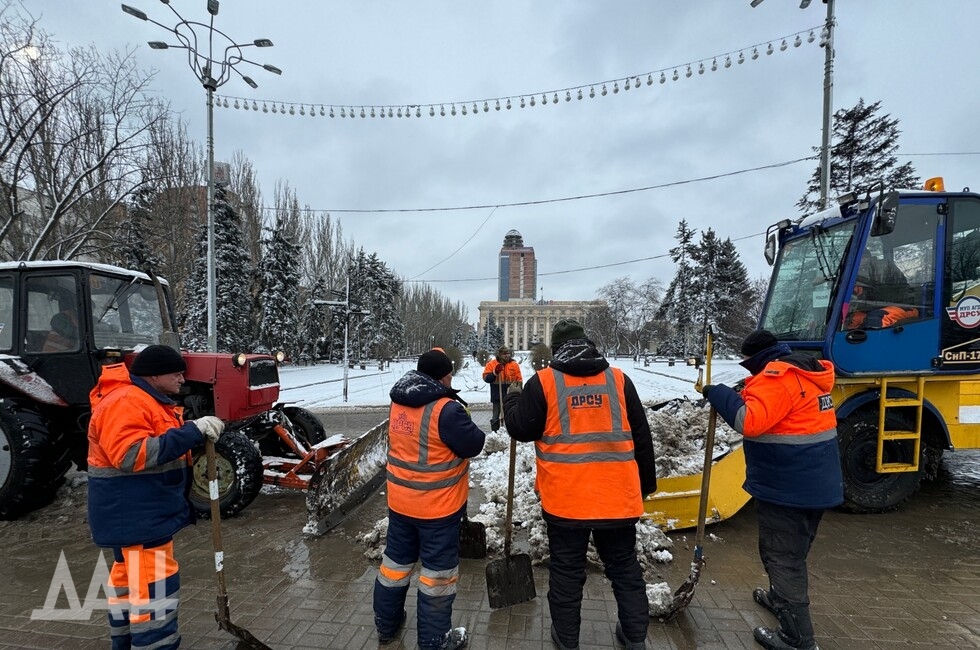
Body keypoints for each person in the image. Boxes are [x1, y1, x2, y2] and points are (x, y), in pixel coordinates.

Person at [502, 319, 657, 650]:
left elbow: (519, 428)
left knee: (567, 574)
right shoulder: (619, 380)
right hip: (616, 500)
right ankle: (634, 638)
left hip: (566, 502)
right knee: (625, 570)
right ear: (588, 344)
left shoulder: (543, 382)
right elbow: (642, 438)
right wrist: (645, 486)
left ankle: (567, 640)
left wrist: (513, 397)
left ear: (556, 350)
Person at [702, 330, 842, 650]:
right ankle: (780, 598)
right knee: (792, 551)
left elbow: (750, 421)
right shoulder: (805, 374)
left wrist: (719, 393)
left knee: (782, 557)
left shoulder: (777, 378)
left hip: (787, 489)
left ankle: (797, 638)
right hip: (814, 484)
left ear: (756, 360)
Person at [87, 344, 224, 650]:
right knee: (153, 593)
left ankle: (124, 643)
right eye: (175, 372)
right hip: (137, 518)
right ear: (154, 374)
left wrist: (189, 428)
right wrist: (193, 432)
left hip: (136, 517)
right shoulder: (126, 401)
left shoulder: (145, 399)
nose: (182, 378)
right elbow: (131, 453)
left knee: (129, 585)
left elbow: (155, 440)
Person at [374, 348, 486, 650]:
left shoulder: (398, 402)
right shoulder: (445, 410)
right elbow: (475, 443)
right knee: (437, 577)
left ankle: (387, 625)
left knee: (394, 567)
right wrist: (461, 412)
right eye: (449, 373)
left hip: (400, 504)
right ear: (442, 376)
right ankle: (435, 641)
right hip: (437, 510)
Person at [844, 254, 919, 329]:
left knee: (875, 319)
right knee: (850, 318)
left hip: (902, 305)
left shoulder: (881, 267)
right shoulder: (857, 273)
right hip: (873, 307)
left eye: (861, 258)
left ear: (866, 257)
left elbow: (881, 290)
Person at [482, 345, 522, 432]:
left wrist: (518, 392)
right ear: (500, 354)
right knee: (495, 416)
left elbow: (519, 380)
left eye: (508, 353)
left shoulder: (514, 365)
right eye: (504, 354)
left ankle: (510, 433)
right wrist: (494, 372)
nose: (507, 355)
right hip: (497, 395)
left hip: (510, 396)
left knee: (510, 415)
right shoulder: (492, 364)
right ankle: (495, 433)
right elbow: (486, 378)